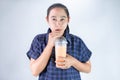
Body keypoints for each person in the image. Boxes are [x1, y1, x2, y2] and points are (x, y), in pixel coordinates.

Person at [27, 3, 92, 80]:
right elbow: (35, 71)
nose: (58, 24)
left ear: (68, 20)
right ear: (47, 19)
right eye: (54, 19)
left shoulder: (77, 41)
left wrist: (73, 62)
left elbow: (88, 68)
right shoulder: (39, 40)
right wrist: (49, 45)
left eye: (62, 19)